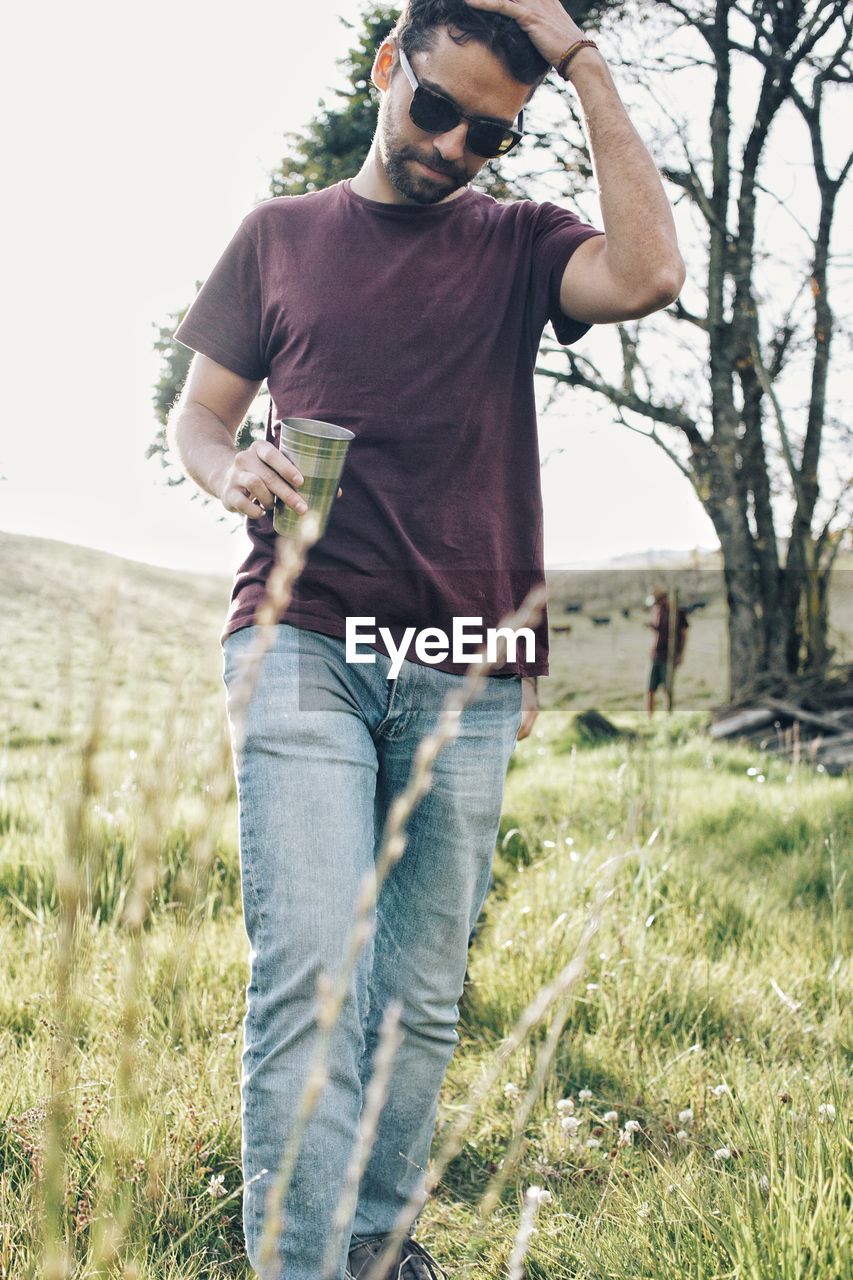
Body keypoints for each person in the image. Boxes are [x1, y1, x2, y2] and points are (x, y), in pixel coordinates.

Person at [167, 1, 685, 1275]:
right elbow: (198, 419)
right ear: (388, 67)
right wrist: (226, 469)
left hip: (470, 664)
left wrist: (582, 60)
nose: (453, 146)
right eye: (436, 108)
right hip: (301, 640)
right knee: (308, 981)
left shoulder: (520, 250)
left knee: (423, 998)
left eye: (490, 135)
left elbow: (651, 274)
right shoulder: (278, 237)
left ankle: (375, 1242)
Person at [646, 587, 689, 715]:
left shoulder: (677, 613)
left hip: (668, 656)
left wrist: (680, 654)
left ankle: (668, 716)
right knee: (650, 688)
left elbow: (684, 634)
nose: (658, 605)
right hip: (656, 655)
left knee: (667, 689)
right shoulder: (658, 612)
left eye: (659, 602)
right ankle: (650, 717)